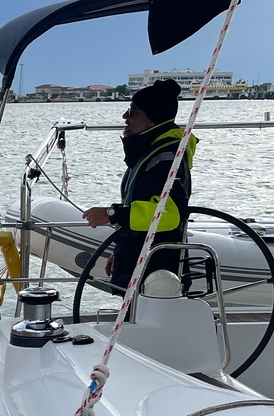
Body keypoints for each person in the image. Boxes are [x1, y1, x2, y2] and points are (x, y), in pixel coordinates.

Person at [83, 77, 195, 293]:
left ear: (152, 120)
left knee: (144, 322)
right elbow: (142, 205)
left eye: (132, 112)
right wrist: (122, 248)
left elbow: (167, 215)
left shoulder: (165, 158)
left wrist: (111, 214)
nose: (125, 117)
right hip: (143, 260)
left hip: (157, 269)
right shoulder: (152, 152)